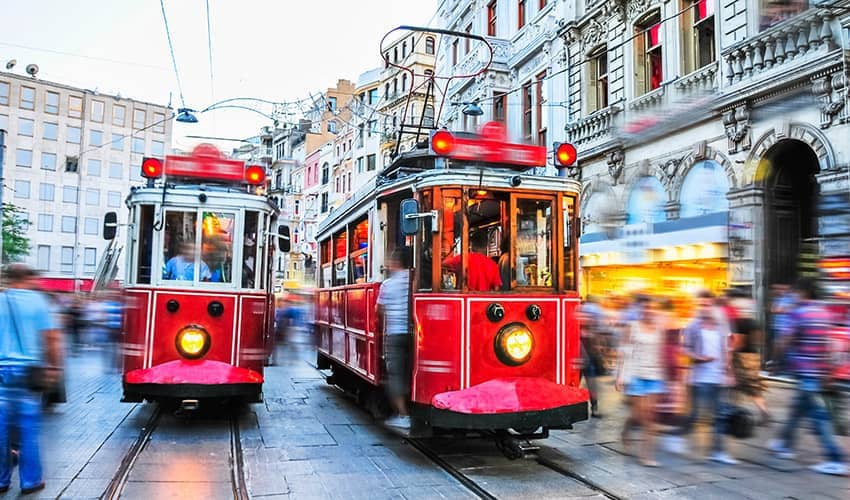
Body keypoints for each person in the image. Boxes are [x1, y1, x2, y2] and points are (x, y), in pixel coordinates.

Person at [768, 278, 847, 476]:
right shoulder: (824, 312)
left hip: (805, 372)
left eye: (795, 292)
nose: (793, 295)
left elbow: (784, 340)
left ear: (803, 292)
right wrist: (828, 370)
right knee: (796, 410)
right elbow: (829, 345)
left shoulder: (799, 313)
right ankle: (784, 444)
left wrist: (775, 362)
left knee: (819, 417)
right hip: (816, 372)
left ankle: (835, 458)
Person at [0, 264, 63, 494]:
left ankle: (1, 480)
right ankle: (30, 481)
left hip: (1, 371)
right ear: (27, 278)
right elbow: (52, 338)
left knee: (1, 429)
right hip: (28, 372)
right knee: (28, 427)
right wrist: (54, 366)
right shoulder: (38, 302)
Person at [681, 290, 737, 465]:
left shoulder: (722, 324)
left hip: (718, 376)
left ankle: (718, 451)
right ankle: (676, 435)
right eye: (701, 304)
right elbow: (685, 348)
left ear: (713, 305)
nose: (704, 307)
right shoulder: (692, 325)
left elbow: (727, 349)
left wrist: (730, 372)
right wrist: (699, 358)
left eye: (707, 304)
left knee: (719, 415)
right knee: (696, 414)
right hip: (699, 378)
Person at [616, 295, 666, 467]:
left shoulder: (659, 328)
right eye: (646, 308)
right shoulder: (632, 327)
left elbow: (661, 353)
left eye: (652, 308)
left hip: (655, 376)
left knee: (650, 417)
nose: (649, 311)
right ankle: (626, 430)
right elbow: (623, 352)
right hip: (635, 375)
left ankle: (646, 455)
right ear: (641, 310)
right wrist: (620, 376)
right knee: (638, 416)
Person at [376, 248, 412, 428]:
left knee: (395, 374)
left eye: (390, 262)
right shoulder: (415, 280)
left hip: (395, 334)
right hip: (413, 335)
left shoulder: (388, 285)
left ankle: (403, 415)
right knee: (410, 371)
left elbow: (379, 309)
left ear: (396, 263)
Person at [727, 288, 770, 425]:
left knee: (742, 386)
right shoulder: (754, 322)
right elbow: (761, 339)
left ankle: (761, 413)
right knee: (750, 387)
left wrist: (730, 355)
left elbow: (738, 342)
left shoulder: (738, 322)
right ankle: (759, 412)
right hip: (754, 356)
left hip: (742, 358)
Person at [579, 296, 605, 418]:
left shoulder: (589, 330)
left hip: (587, 360)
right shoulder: (576, 330)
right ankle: (592, 407)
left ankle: (594, 407)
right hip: (580, 360)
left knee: (591, 383)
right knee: (588, 381)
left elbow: (596, 344)